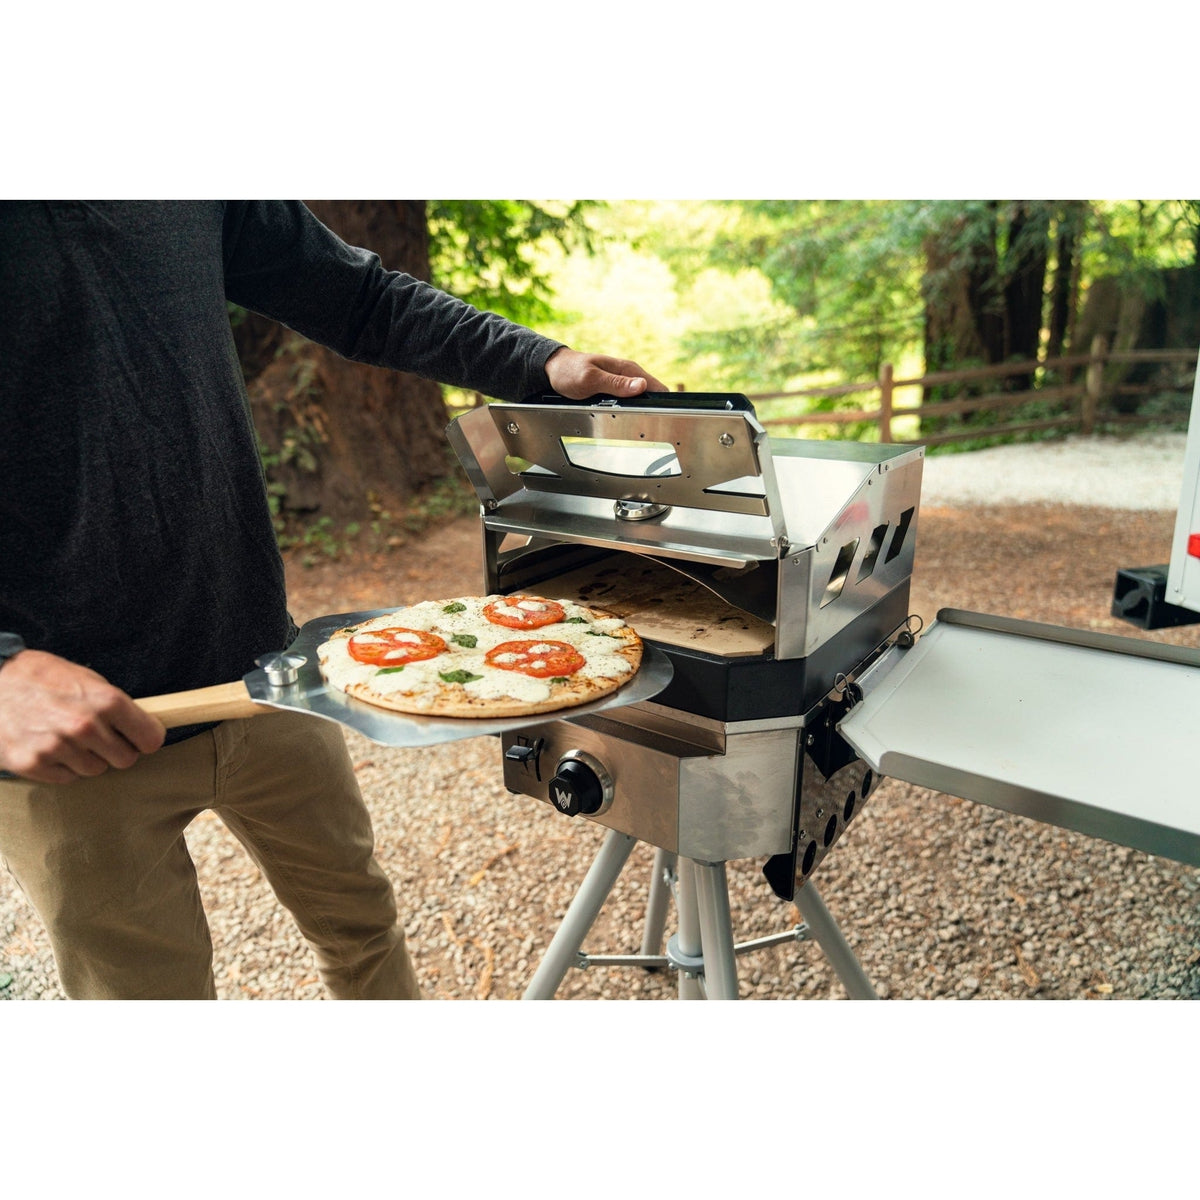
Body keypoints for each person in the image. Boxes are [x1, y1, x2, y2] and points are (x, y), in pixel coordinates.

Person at [0, 200, 665, 1000]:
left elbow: (358, 296)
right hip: (74, 734)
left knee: (363, 931)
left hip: (270, 675)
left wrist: (540, 363)